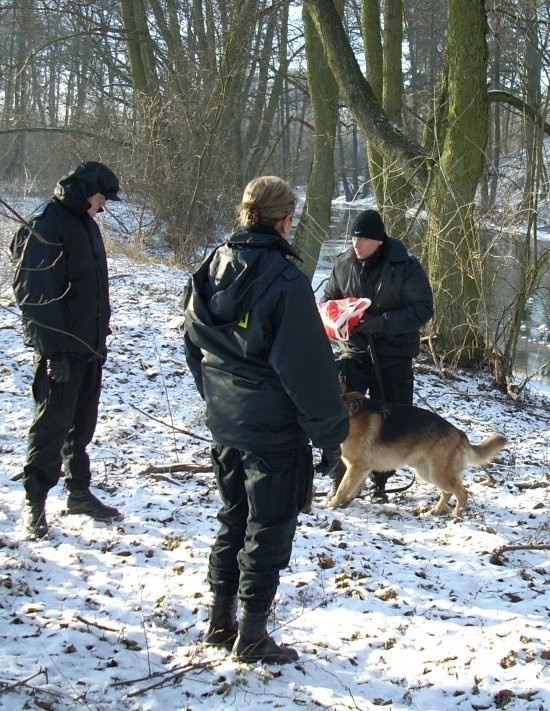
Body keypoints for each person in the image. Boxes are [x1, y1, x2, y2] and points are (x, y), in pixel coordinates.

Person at [182, 176, 348, 665]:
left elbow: (193, 344)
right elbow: (308, 369)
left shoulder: (211, 266)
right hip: (273, 428)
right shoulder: (285, 282)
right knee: (269, 526)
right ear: (285, 219)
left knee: (233, 517)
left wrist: (217, 400)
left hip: (227, 420)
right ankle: (251, 635)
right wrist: (330, 435)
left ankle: (220, 620)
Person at [10, 161, 123, 540]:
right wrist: (52, 351)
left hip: (88, 346)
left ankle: (78, 492)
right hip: (60, 351)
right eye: (102, 197)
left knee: (82, 427)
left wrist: (98, 338)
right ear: (86, 190)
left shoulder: (84, 224)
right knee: (51, 427)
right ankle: (34, 504)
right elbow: (35, 296)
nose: (104, 205)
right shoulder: (46, 224)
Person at [322, 209, 433, 502]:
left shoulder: (405, 266)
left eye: (364, 239)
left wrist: (382, 323)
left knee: (391, 422)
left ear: (380, 241)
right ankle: (339, 480)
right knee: (343, 420)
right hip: (354, 352)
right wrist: (336, 316)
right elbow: (328, 299)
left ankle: (380, 484)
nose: (357, 244)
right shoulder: (343, 263)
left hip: (394, 355)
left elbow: (423, 309)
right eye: (355, 237)